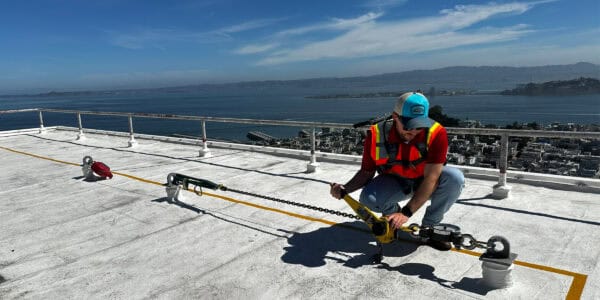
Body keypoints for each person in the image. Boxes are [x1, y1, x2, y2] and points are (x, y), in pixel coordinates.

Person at [330, 91, 464, 251]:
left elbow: (432, 178)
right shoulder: (376, 134)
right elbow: (366, 172)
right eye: (409, 125)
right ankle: (392, 219)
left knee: (455, 178)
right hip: (397, 181)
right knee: (368, 199)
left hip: (426, 181)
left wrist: (406, 213)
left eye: (420, 126)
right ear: (395, 117)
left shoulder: (436, 133)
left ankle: (429, 229)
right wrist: (345, 190)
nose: (414, 131)